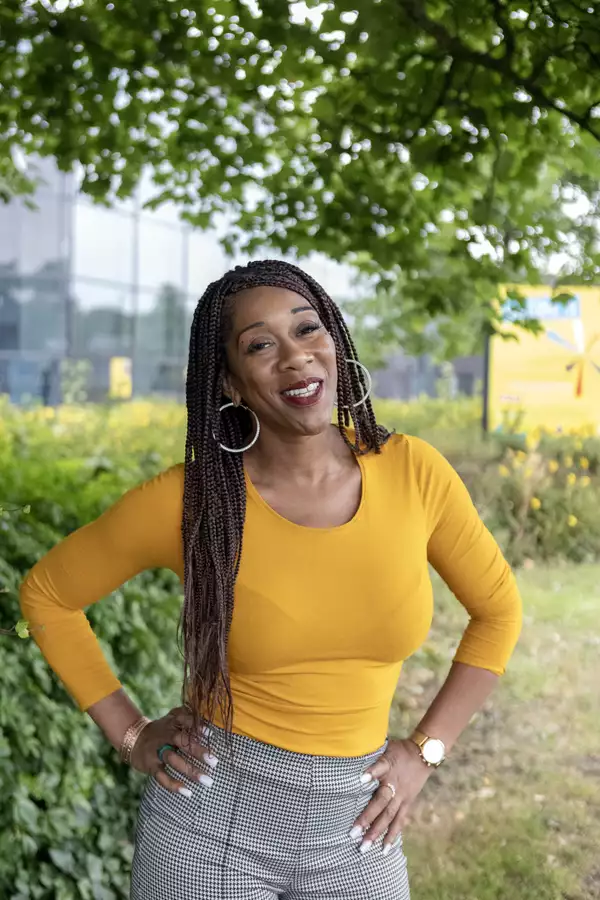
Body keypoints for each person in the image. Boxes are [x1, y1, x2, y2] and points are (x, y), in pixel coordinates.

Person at [19, 259, 522, 900]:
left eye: (308, 329)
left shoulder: (414, 471)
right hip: (209, 825)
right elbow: (48, 595)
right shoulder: (193, 501)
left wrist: (426, 752)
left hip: (358, 830)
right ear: (229, 381)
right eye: (261, 344)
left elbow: (499, 611)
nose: (295, 357)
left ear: (335, 343)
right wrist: (133, 732)